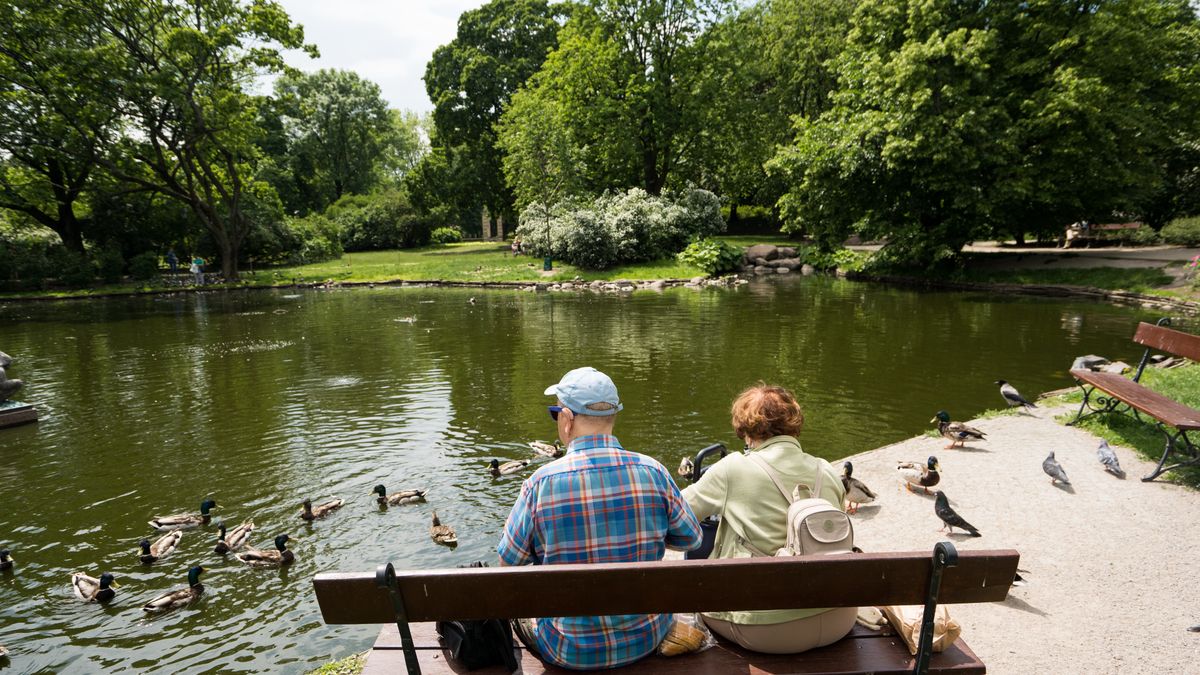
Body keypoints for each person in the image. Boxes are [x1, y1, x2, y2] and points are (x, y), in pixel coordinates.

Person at [497, 366, 702, 670]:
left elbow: (508, 565)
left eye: (556, 414)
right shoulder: (653, 471)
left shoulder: (540, 483)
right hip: (644, 638)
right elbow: (691, 538)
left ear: (566, 420)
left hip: (568, 650)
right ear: (613, 416)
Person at [681, 383, 853, 654]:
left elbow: (677, 517)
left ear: (746, 431)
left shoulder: (732, 468)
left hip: (767, 631)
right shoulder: (826, 469)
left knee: (693, 593)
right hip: (839, 618)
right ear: (794, 424)